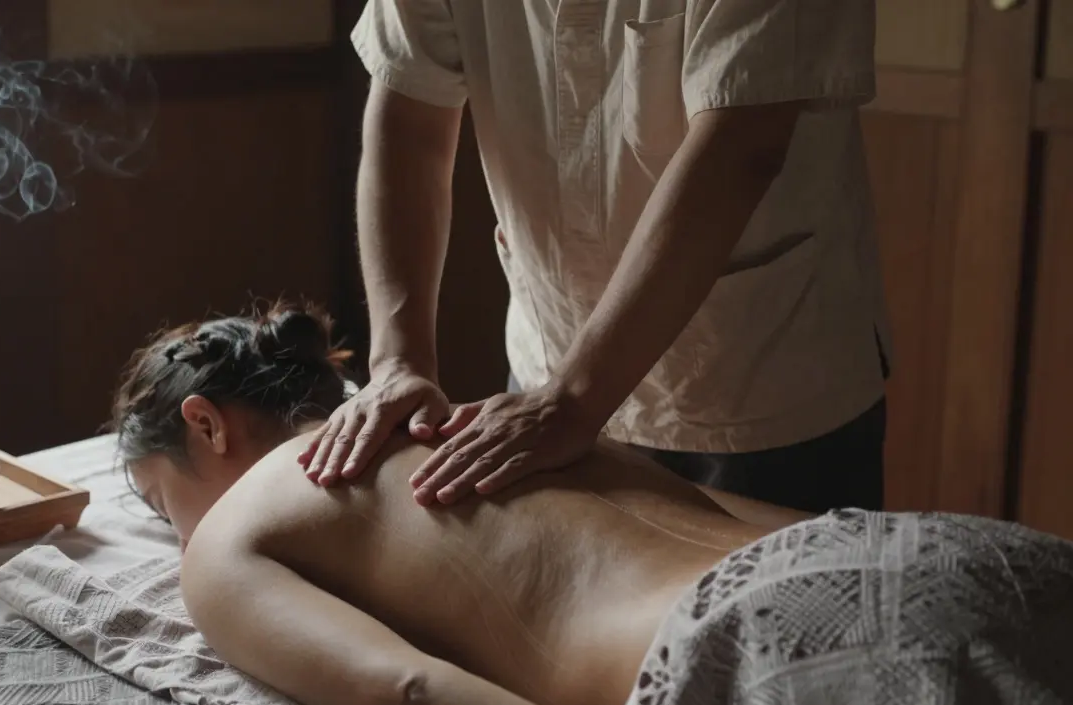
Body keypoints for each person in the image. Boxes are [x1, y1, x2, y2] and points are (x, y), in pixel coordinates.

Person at [113, 304, 1073, 705]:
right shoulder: (499, 420)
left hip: (769, 647)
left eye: (163, 508)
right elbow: (747, 517)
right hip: (936, 555)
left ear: (207, 426)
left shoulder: (236, 534)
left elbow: (406, 694)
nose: (180, 537)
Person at [299, 0, 891, 515]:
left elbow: (739, 146)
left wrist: (573, 401)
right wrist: (398, 359)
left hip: (759, 385)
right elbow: (411, 119)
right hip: (546, 362)